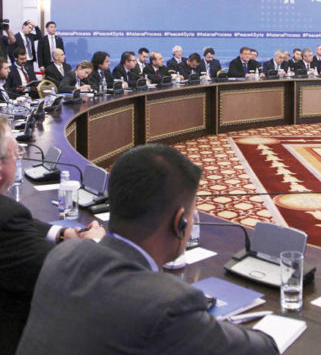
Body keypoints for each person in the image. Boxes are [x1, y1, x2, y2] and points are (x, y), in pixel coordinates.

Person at [16, 144, 278, 355]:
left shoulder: (63, 255)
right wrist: (204, 326)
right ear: (180, 222)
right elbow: (263, 349)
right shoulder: (169, 304)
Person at [0, 115, 105, 355]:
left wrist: (61, 233)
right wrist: (93, 242)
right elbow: (65, 274)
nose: (20, 157)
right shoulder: (7, 220)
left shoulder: (8, 216)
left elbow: (18, 223)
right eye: (17, 153)